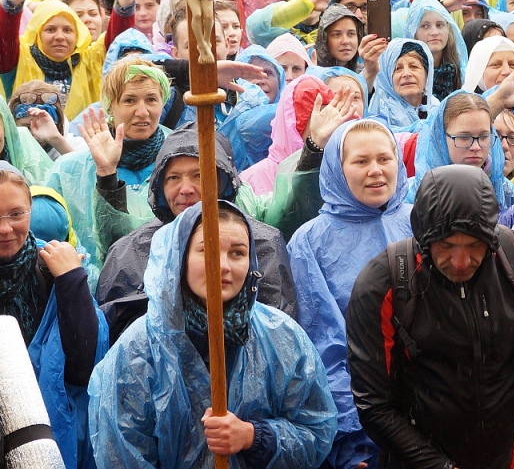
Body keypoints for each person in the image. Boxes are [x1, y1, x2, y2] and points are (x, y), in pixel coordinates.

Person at [346, 165, 514, 469]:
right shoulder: (383, 284)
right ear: (424, 238)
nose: (461, 261)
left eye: (475, 245)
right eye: (446, 246)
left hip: (513, 459)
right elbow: (374, 407)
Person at [89, 201, 337, 468]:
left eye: (237, 253)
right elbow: (120, 453)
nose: (223, 266)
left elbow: (317, 431)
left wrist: (254, 436)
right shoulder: (138, 351)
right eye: (206, 250)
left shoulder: (282, 337)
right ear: (179, 257)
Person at [0, 161, 107, 467]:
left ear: (30, 210)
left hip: (51, 442)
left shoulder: (55, 268)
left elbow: (84, 371)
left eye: (16, 214)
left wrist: (73, 284)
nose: (5, 228)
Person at [289, 119, 414, 469]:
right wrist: (352, 440)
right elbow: (323, 346)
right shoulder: (310, 241)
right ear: (337, 168)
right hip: (362, 426)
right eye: (360, 161)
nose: (375, 171)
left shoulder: (420, 220)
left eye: (384, 159)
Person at [95, 127, 297, 343]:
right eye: (173, 178)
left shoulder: (262, 244)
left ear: (224, 180)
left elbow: (279, 337)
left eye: (199, 175)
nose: (186, 189)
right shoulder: (130, 250)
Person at [0, 0, 154, 118]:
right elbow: (3, 34)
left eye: (68, 30)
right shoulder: (18, 58)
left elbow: (119, 38)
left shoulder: (90, 59)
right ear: (37, 33)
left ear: (78, 35)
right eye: (50, 30)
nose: (60, 36)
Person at [45, 57, 171, 266]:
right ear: (111, 106)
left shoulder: (180, 160)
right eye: (129, 100)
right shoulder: (69, 170)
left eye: (151, 99)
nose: (142, 112)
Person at [365, 39, 435, 132]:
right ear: (387, 78)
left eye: (414, 66)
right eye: (397, 68)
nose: (406, 74)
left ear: (427, 74)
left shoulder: (435, 107)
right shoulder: (379, 110)